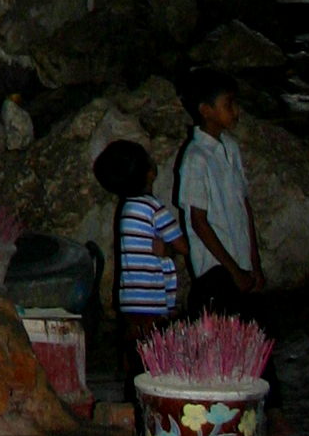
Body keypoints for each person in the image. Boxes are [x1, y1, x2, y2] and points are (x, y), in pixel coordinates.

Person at [94, 135, 186, 373]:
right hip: (152, 298)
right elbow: (183, 246)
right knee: (155, 359)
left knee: (133, 353)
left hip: (130, 298)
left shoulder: (126, 208)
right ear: (150, 173)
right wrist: (169, 251)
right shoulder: (153, 208)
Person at [175, 72, 261, 314]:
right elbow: (199, 222)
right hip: (216, 270)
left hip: (239, 264)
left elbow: (245, 207)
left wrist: (255, 264)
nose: (235, 111)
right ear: (206, 110)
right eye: (228, 104)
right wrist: (234, 271)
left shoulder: (230, 148)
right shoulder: (195, 158)